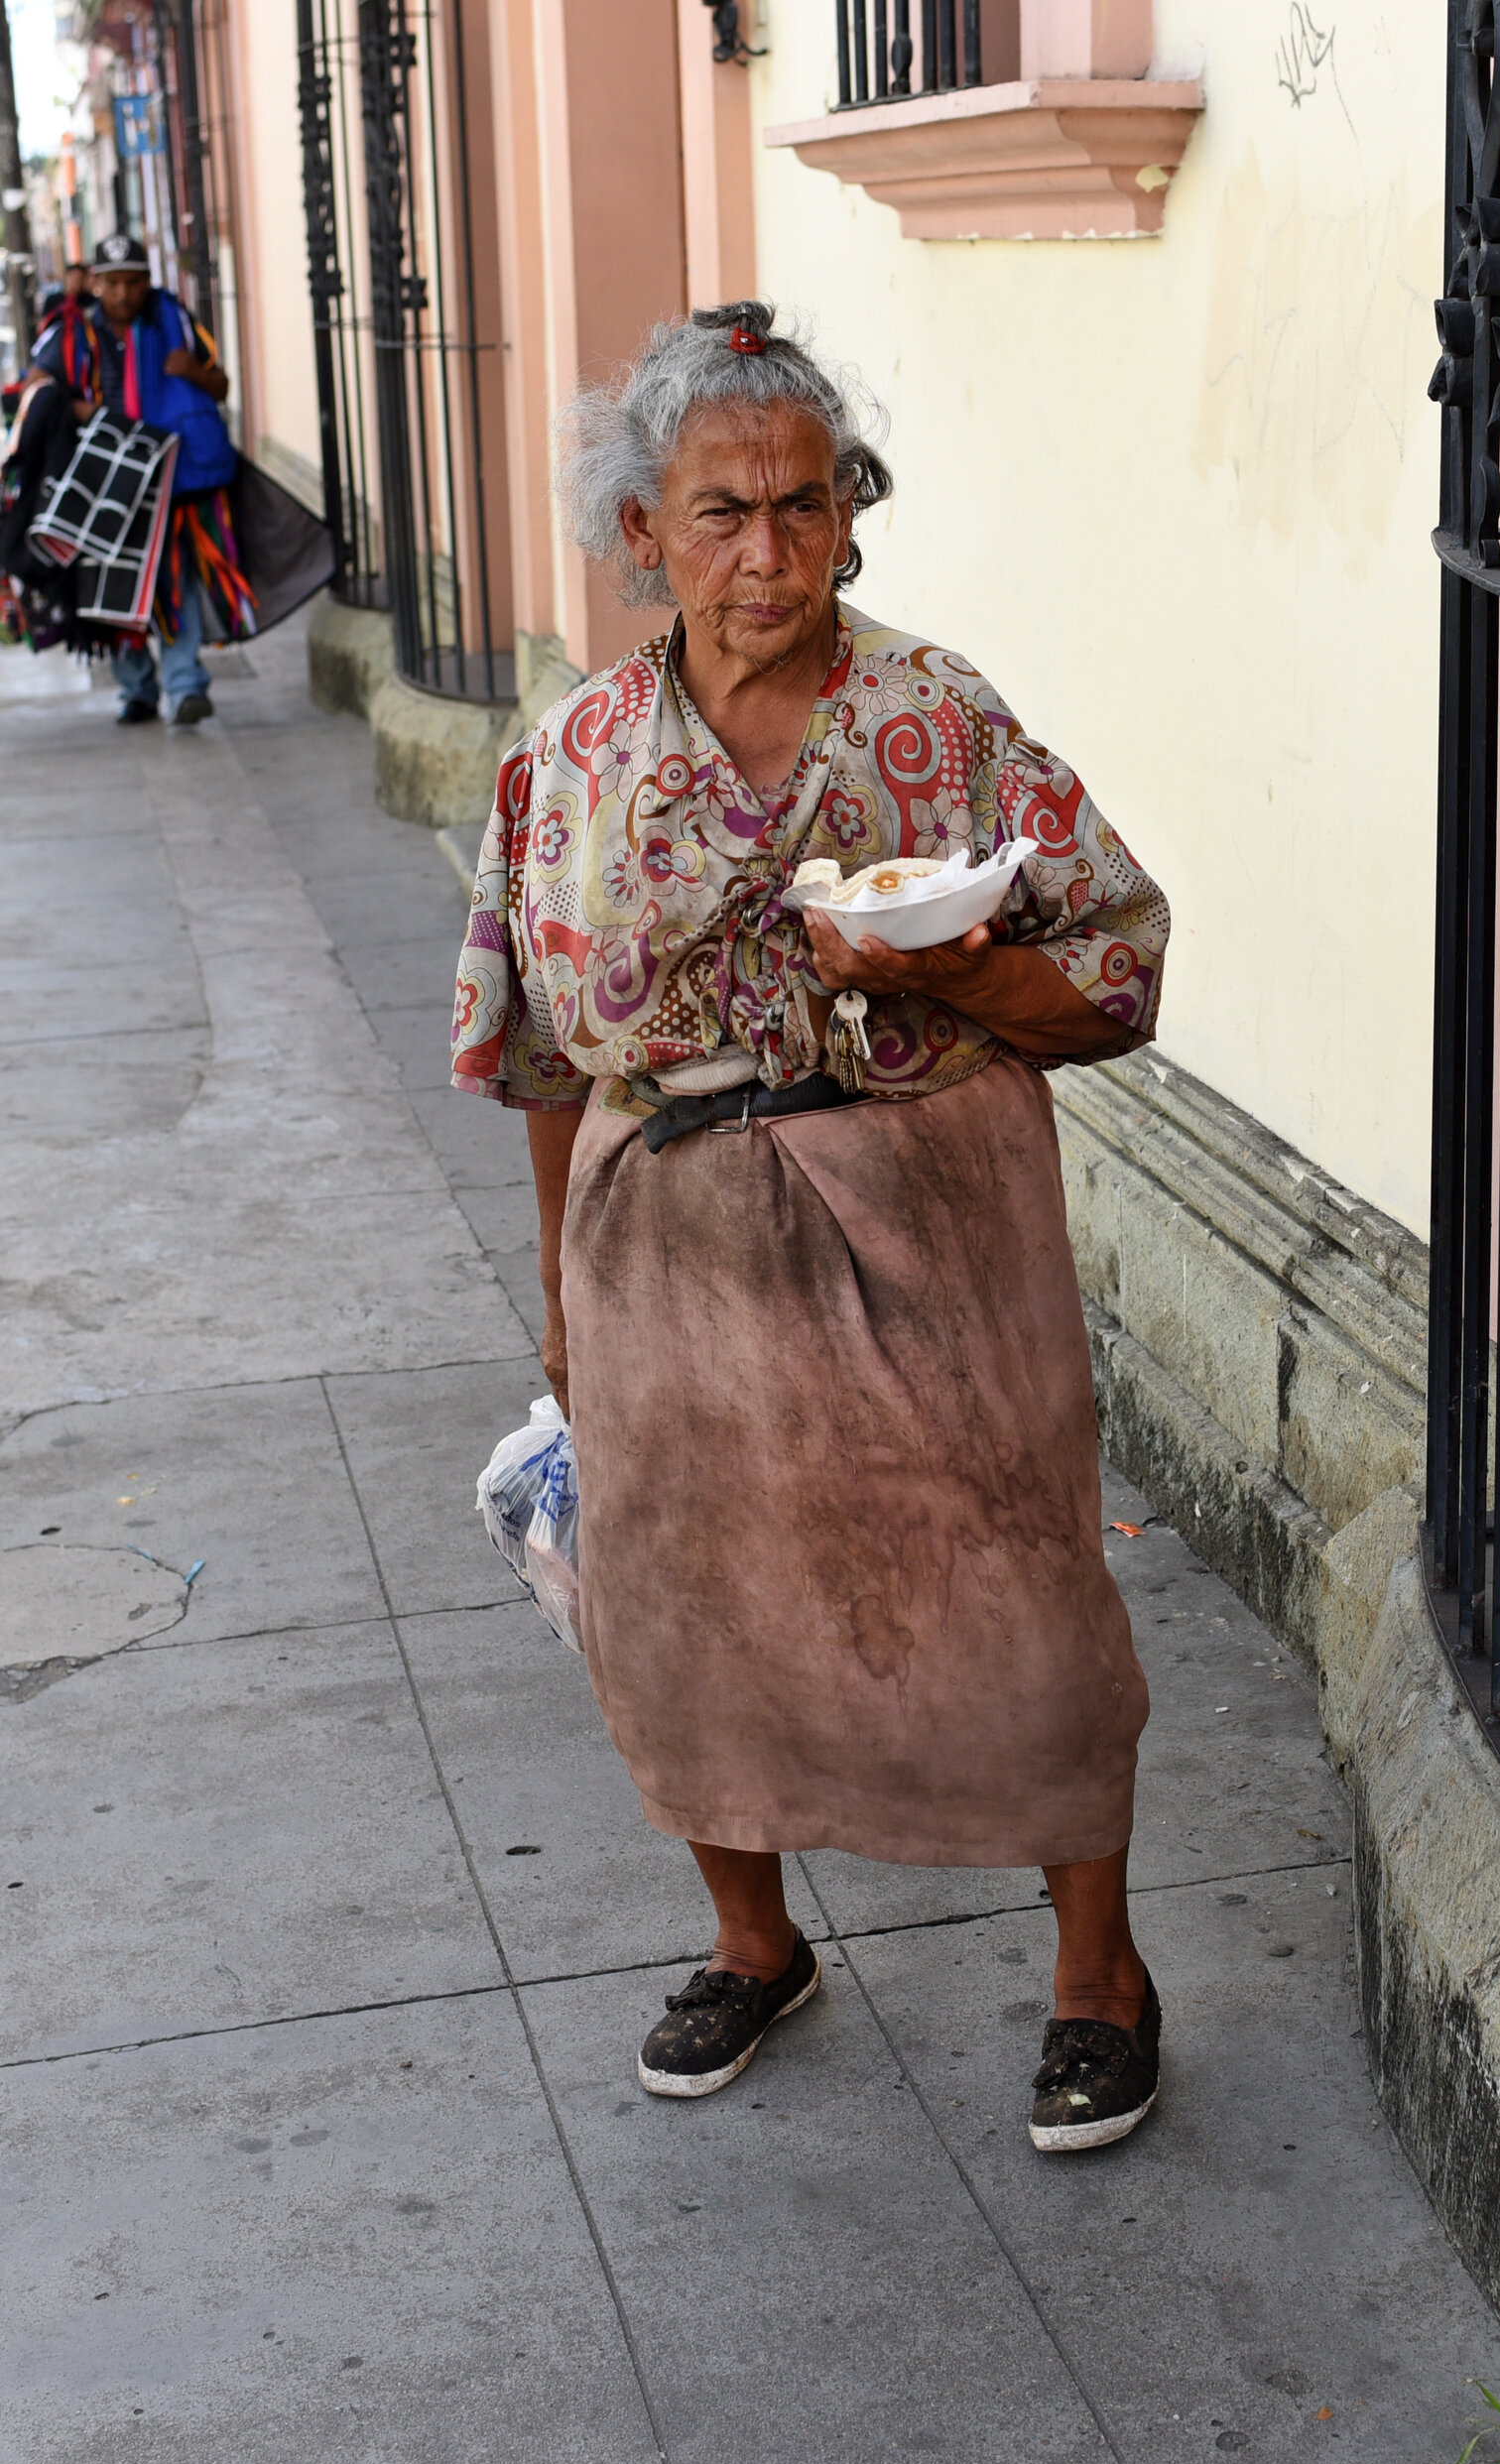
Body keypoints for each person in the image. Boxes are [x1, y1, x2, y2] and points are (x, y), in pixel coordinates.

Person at [447, 303, 1175, 2151]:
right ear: (641, 536)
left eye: (805, 506)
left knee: (1022, 1606)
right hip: (666, 1244)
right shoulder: (573, 762)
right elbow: (542, 1057)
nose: (768, 554)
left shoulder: (942, 722)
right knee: (690, 1611)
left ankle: (1098, 1971)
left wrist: (968, 962)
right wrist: (558, 1301)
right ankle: (751, 1940)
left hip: (934, 1208)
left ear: (853, 516)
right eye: (721, 514)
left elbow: (1116, 988)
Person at [32, 233, 246, 725]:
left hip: (172, 477)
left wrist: (193, 370)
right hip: (105, 482)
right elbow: (37, 385)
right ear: (95, 284)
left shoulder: (175, 323)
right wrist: (72, 405)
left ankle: (184, 684)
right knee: (110, 583)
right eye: (111, 284)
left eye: (132, 282)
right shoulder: (72, 334)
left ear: (148, 282)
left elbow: (222, 383)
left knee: (175, 580)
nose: (123, 294)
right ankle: (135, 690)